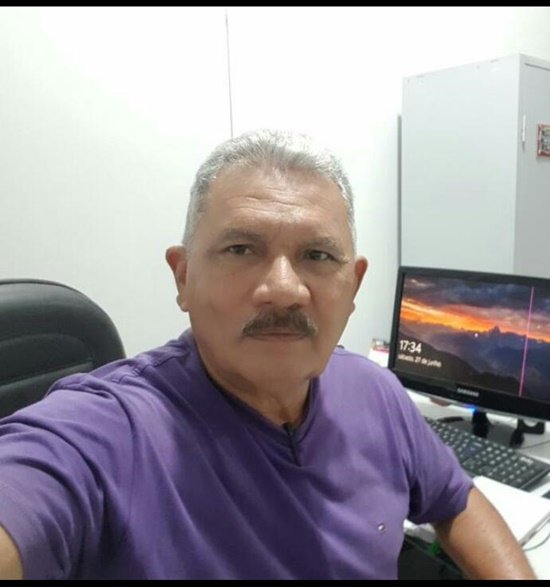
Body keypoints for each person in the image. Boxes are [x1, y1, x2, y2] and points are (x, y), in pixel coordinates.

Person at [0, 129, 537, 580]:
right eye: (241, 249)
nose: (284, 289)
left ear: (353, 286)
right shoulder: (111, 432)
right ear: (183, 276)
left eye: (317, 255)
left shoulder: (375, 392)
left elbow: (457, 501)